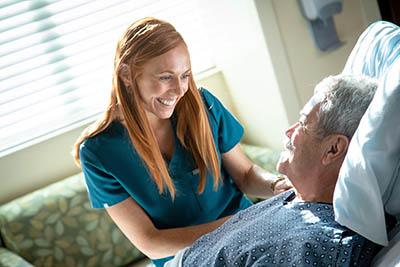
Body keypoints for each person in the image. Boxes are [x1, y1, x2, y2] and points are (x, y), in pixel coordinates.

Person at [72, 17, 291, 267]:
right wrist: (239, 225)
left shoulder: (204, 106)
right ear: (126, 74)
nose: (179, 90)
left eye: (185, 75)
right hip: (187, 258)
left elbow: (246, 174)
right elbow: (150, 242)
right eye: (166, 77)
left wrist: (276, 185)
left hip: (249, 235)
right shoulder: (98, 152)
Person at [165, 74, 397, 267]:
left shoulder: (316, 246)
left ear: (333, 149)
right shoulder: (298, 197)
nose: (289, 131)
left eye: (303, 123)